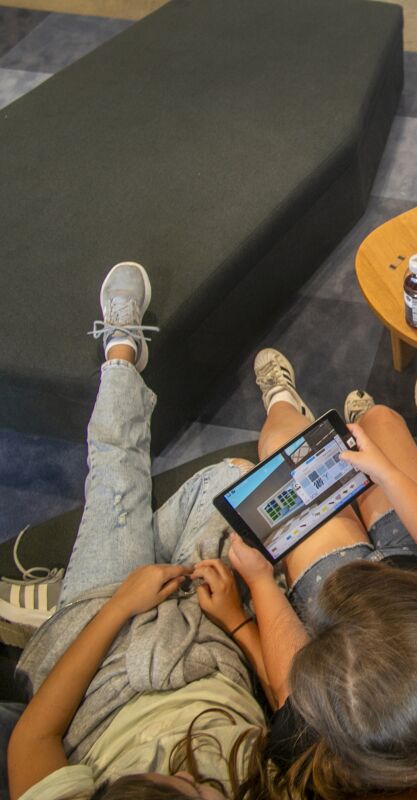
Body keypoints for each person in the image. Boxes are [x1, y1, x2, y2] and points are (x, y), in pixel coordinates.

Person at [7, 262, 269, 800]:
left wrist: (120, 605)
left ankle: (121, 353)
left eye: (169, 778)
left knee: (116, 476)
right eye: (204, 792)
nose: (190, 774)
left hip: (107, 650)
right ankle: (112, 553)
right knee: (234, 481)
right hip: (205, 631)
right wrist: (240, 621)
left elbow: (33, 736)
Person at [237, 351, 417, 798]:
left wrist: (258, 582)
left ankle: (282, 403)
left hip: (340, 576)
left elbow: (283, 683)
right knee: (383, 421)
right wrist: (384, 472)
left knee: (284, 445)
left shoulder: (304, 747)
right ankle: (357, 428)